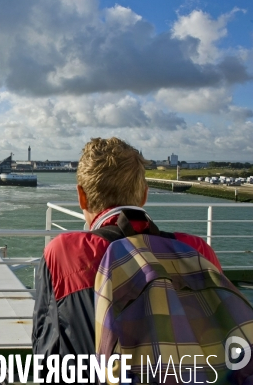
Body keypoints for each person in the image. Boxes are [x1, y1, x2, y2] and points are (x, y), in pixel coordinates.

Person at [32, 137, 221, 363]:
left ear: (81, 197)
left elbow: (45, 349)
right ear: (144, 195)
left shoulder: (64, 252)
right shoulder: (198, 250)